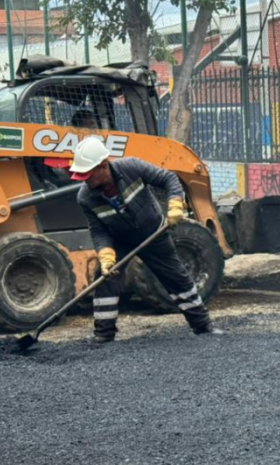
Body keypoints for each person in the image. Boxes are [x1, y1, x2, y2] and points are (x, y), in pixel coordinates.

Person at [70, 137, 221, 342]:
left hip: (153, 232)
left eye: (87, 174)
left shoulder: (132, 167)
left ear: (103, 165)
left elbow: (169, 179)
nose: (84, 180)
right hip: (119, 238)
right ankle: (103, 335)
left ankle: (203, 327)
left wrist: (176, 204)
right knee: (105, 278)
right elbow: (98, 230)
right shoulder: (85, 197)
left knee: (176, 277)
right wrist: (106, 255)